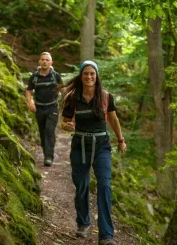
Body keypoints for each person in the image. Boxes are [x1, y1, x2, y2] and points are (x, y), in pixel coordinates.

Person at [60, 60, 126, 245]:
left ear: (96, 77)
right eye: (86, 73)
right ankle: (83, 222)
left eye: (92, 74)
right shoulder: (73, 97)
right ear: (81, 76)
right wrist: (67, 125)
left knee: (104, 186)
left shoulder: (105, 97)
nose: (89, 76)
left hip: (102, 146)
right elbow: (63, 122)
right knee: (81, 185)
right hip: (80, 145)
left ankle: (106, 235)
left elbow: (113, 120)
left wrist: (120, 140)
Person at [25, 52, 62, 166]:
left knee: (49, 130)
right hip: (39, 108)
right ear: (39, 62)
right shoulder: (35, 76)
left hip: (52, 107)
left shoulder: (56, 76)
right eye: (42, 59)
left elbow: (63, 89)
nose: (45, 61)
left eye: (47, 60)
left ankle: (48, 157)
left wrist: (68, 103)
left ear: (51, 62)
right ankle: (47, 153)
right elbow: (28, 91)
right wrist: (30, 102)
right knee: (42, 131)